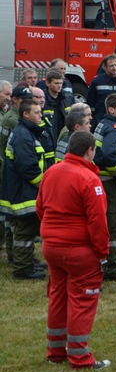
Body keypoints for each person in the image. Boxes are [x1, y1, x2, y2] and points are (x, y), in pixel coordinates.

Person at [38, 130, 111, 370]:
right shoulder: (89, 179)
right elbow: (98, 222)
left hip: (52, 246)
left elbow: (41, 208)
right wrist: (102, 253)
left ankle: (55, 351)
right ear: (90, 150)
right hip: (79, 250)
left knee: (58, 296)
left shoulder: (51, 172)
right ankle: (80, 357)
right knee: (82, 300)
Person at [1, 99, 47, 279]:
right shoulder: (22, 135)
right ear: (25, 115)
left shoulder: (26, 132)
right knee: (25, 231)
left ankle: (26, 263)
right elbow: (28, 167)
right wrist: (44, 187)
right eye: (37, 112)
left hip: (23, 191)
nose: (40, 115)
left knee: (26, 230)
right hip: (23, 193)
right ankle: (22, 269)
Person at [92, 93, 116, 281]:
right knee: (115, 226)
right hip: (109, 184)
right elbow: (109, 156)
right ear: (111, 110)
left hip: (101, 182)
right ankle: (114, 269)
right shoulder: (114, 129)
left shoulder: (104, 124)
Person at [87, 54, 116, 124]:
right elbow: (90, 102)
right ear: (104, 67)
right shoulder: (96, 81)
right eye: (111, 66)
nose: (114, 68)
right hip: (101, 118)